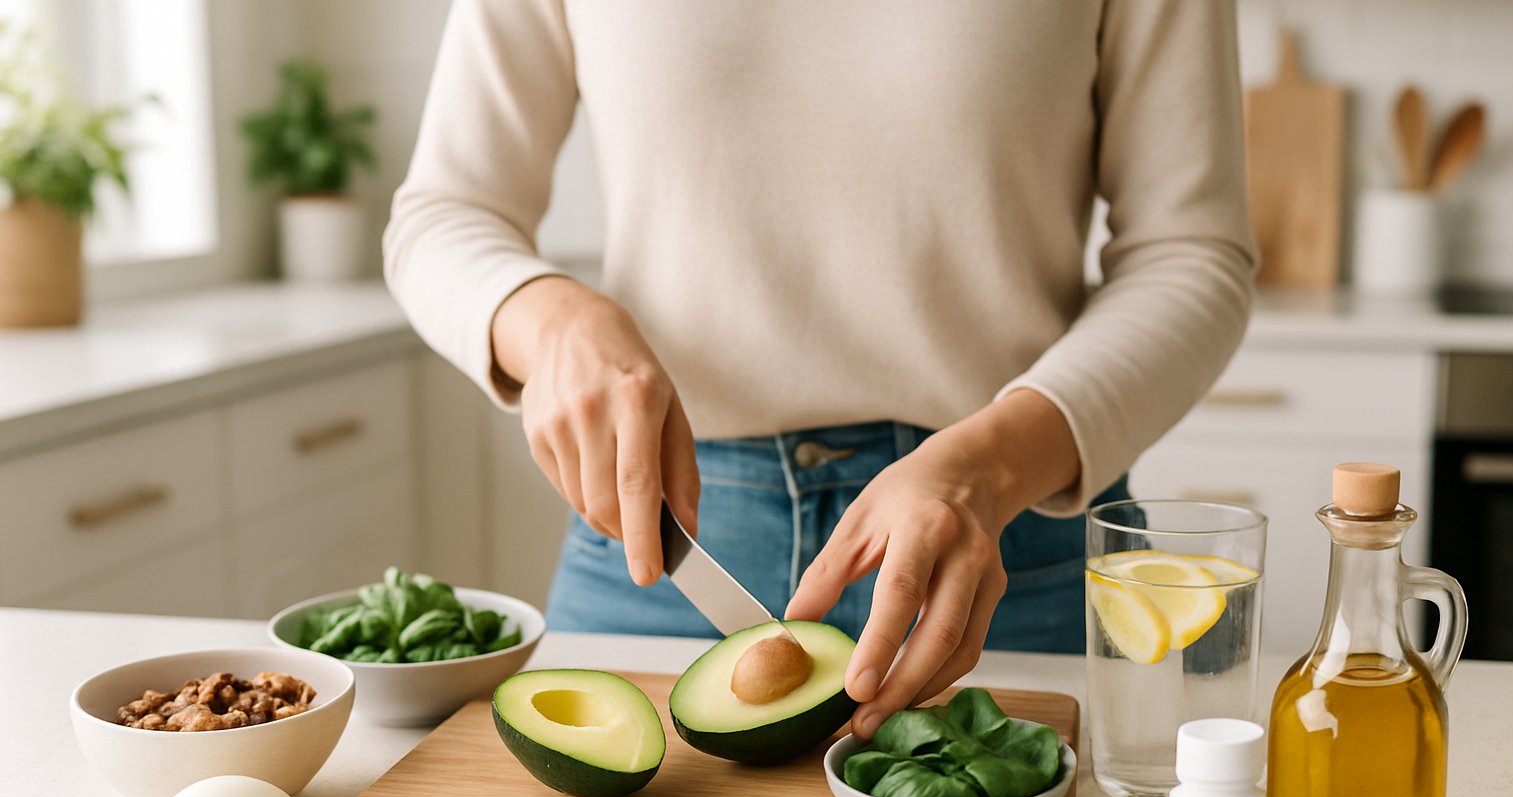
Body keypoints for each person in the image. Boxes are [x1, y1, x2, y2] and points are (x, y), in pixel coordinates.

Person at [384, 1, 1256, 740]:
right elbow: (444, 213)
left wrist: (990, 469)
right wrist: (549, 318)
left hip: (1006, 553)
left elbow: (1193, 253)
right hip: (665, 550)